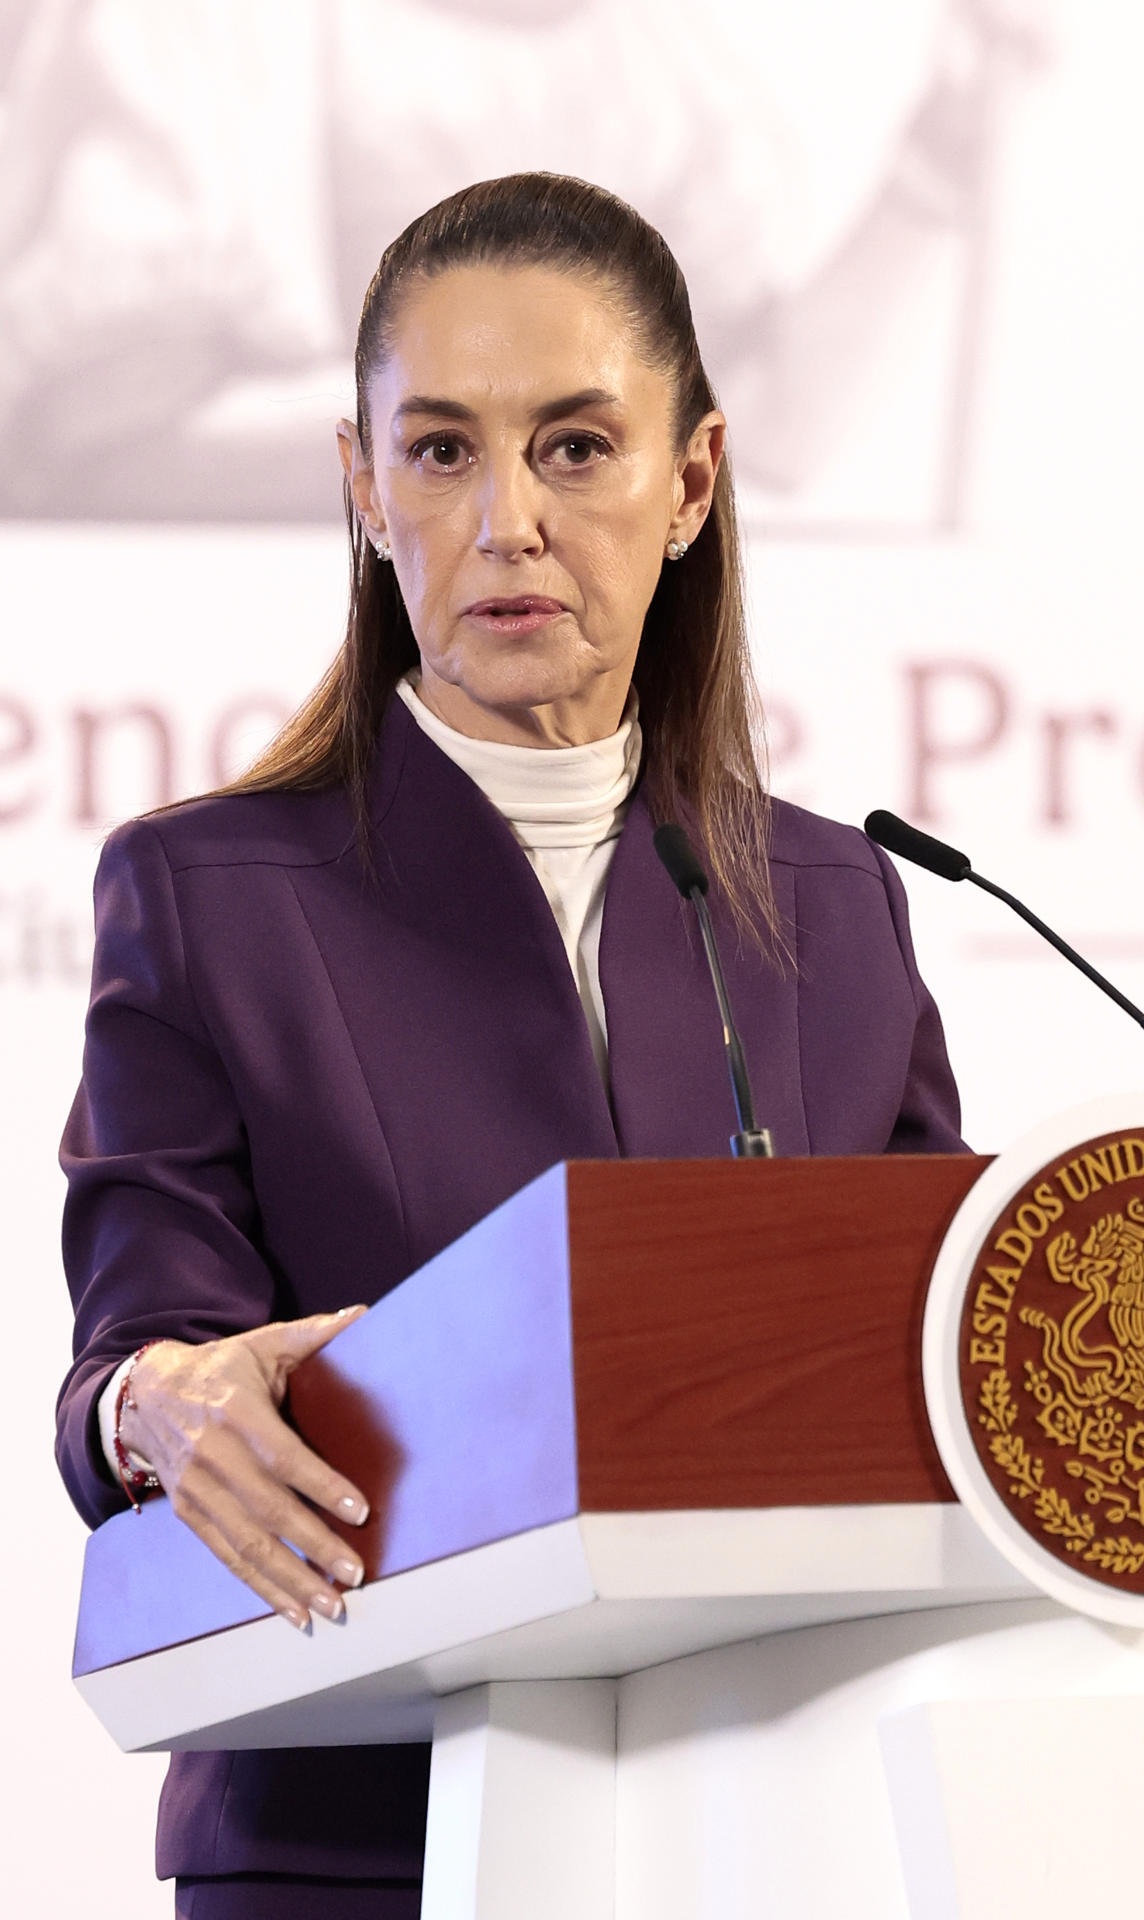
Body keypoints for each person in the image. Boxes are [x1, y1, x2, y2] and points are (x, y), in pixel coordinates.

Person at [56, 172, 966, 1918]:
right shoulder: (207, 893)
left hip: (778, 1847)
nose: (508, 523)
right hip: (357, 1851)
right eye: (443, 451)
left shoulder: (833, 904)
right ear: (361, 485)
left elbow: (925, 1374)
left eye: (573, 447)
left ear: (691, 480)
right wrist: (149, 1413)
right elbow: (134, 1357)